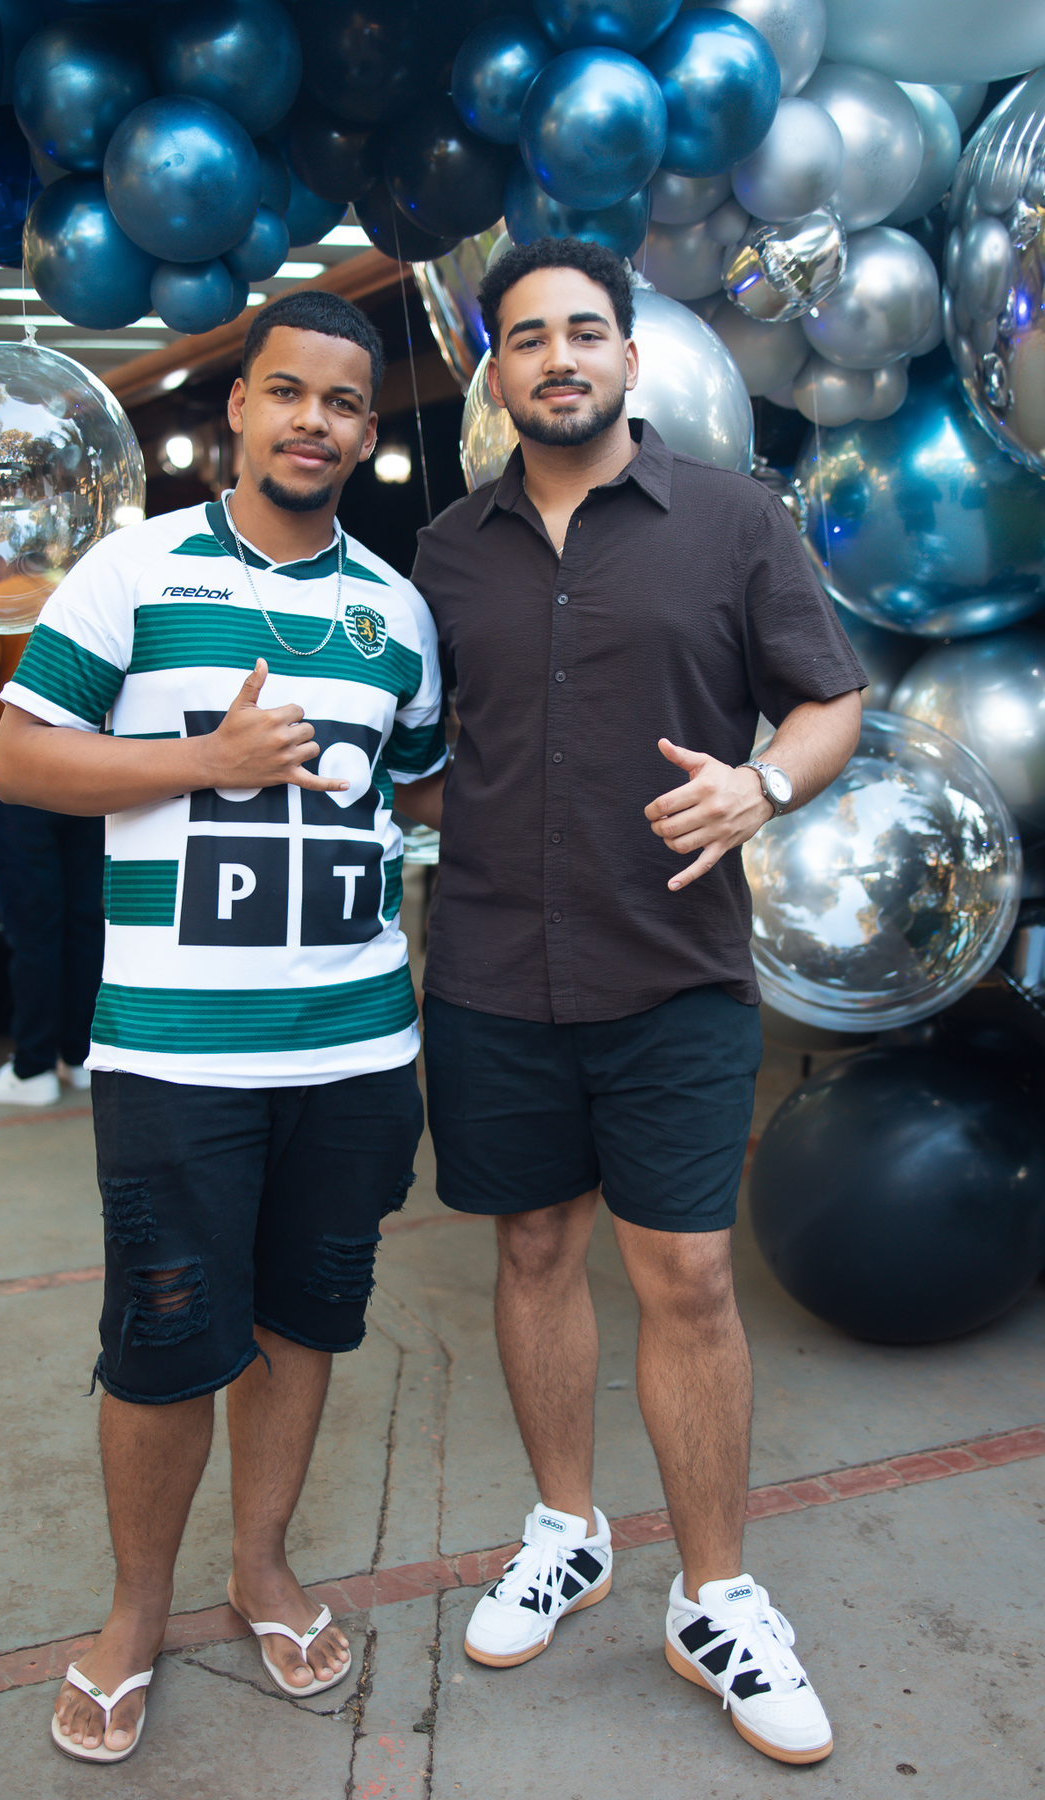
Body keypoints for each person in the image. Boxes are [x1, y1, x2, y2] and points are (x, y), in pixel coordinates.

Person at [398, 238, 865, 1767]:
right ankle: (568, 1532)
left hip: (674, 972)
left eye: (585, 331)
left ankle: (715, 1597)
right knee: (534, 1249)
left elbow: (832, 698)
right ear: (497, 371)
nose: (560, 357)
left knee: (689, 1279)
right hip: (491, 971)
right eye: (528, 336)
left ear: (630, 356)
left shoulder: (732, 522)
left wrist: (762, 784)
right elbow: (411, 753)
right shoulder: (443, 553)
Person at [0, 290, 445, 1763]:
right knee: (162, 1340)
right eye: (290, 392)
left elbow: (427, 783)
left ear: (367, 434)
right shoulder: (132, 570)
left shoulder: (398, 613)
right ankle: (135, 1612)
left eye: (345, 403)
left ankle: (261, 1571)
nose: (317, 421)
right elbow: (21, 759)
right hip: (178, 1053)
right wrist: (209, 759)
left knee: (304, 1320)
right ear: (240, 408)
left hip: (358, 1046)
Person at [0, 574, 104, 1106]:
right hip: (85, 776)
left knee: (34, 929)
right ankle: (79, 1057)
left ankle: (33, 1067)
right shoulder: (81, 593)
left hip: (15, 783)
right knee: (84, 923)